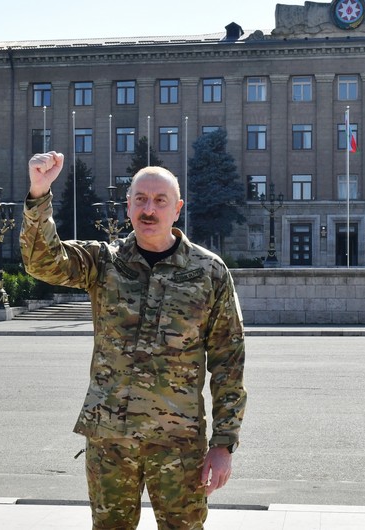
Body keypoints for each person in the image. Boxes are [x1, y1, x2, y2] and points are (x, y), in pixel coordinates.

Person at [20, 151, 247, 530]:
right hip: (110, 439)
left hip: (178, 442)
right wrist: (40, 191)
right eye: (140, 199)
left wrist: (223, 444)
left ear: (177, 209)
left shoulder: (208, 272)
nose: (149, 209)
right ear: (127, 207)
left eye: (160, 201)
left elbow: (229, 362)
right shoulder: (104, 262)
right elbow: (43, 261)